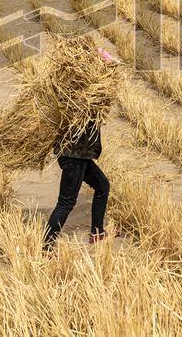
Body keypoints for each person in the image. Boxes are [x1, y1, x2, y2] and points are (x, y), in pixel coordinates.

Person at [42, 46, 118, 249]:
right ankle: (46, 246)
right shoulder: (83, 93)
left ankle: (97, 232)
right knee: (66, 202)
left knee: (102, 186)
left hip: (78, 154)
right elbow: (110, 67)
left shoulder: (85, 91)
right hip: (74, 154)